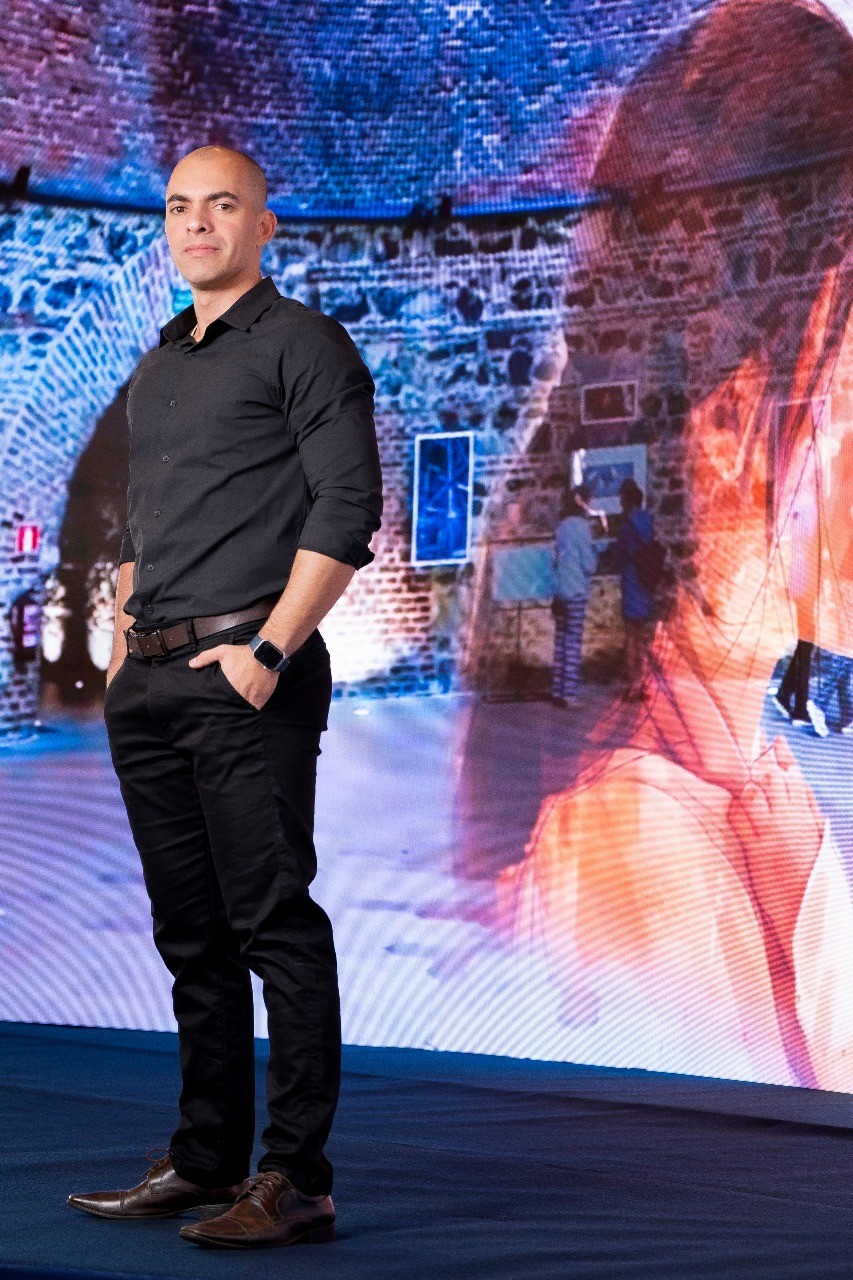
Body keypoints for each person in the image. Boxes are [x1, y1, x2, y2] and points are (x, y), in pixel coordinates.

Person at [66, 146, 382, 1249]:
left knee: (272, 924)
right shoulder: (161, 363)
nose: (196, 224)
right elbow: (145, 524)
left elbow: (346, 508)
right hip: (152, 684)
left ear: (264, 224)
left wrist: (269, 650)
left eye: (221, 205)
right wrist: (123, 649)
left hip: (247, 681)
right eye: (179, 208)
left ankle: (295, 1177)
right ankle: (206, 1159)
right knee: (191, 936)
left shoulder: (305, 343)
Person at [551, 484, 598, 707]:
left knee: (561, 642)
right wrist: (596, 556)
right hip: (576, 589)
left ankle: (558, 690)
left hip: (560, 589)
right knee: (573, 643)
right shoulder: (582, 527)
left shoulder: (561, 527)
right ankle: (569, 695)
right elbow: (588, 564)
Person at [611, 478, 656, 701]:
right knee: (643, 636)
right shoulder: (648, 522)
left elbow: (620, 555)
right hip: (646, 582)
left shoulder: (627, 527)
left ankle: (633, 685)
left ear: (627, 501)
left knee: (631, 636)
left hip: (631, 581)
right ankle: (643, 682)